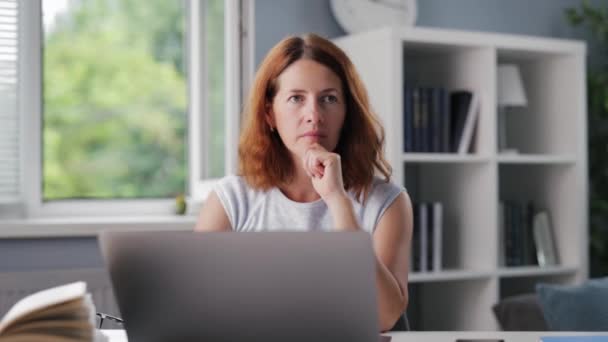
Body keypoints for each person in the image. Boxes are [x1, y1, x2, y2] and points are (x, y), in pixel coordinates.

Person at [195, 33, 413, 332]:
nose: (314, 115)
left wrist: (338, 201)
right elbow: (196, 310)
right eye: (296, 98)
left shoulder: (388, 202)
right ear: (270, 113)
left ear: (346, 113)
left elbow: (383, 318)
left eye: (329, 99)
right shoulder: (230, 200)